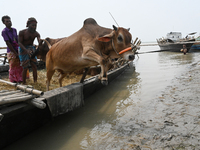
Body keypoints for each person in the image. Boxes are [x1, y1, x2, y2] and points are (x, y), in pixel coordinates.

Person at [18, 17, 40, 84]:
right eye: (32, 25)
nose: (34, 27)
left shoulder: (36, 34)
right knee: (25, 67)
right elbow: (19, 43)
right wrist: (26, 50)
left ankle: (35, 82)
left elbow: (40, 42)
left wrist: (41, 44)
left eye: (35, 25)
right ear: (29, 25)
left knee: (34, 66)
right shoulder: (22, 32)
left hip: (31, 49)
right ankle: (24, 83)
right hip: (23, 49)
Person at [1, 15, 23, 83]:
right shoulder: (4, 31)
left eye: (9, 21)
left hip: (17, 48)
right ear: (4, 23)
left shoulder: (14, 30)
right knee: (13, 66)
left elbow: (17, 40)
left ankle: (20, 79)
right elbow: (8, 43)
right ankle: (14, 80)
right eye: (7, 21)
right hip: (11, 50)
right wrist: (15, 53)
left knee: (20, 65)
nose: (9, 22)